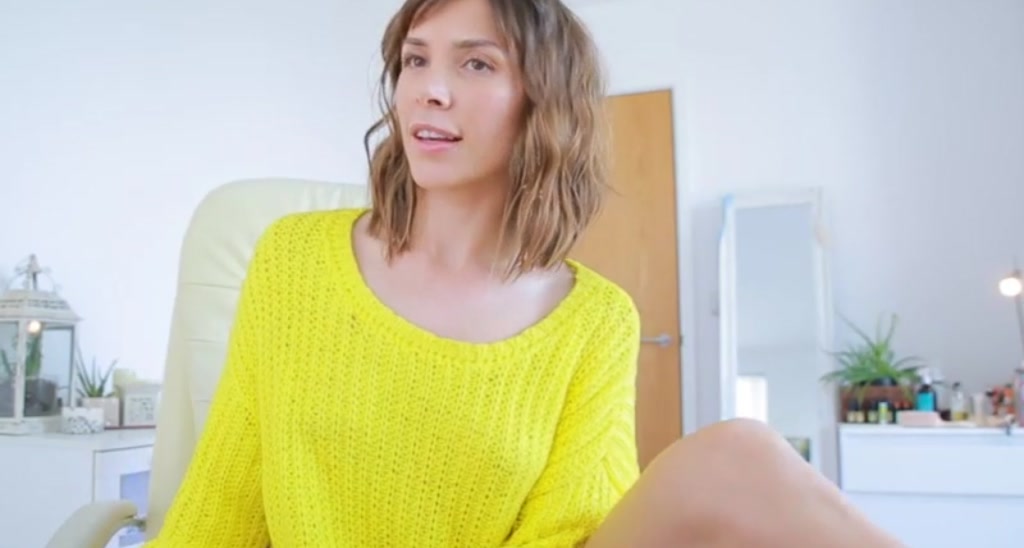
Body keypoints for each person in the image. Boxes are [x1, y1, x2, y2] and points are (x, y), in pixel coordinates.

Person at [147, 0, 905, 546]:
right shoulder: (293, 259)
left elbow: (569, 526)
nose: (429, 88)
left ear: (542, 103)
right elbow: (226, 497)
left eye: (475, 63)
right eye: (416, 59)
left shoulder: (595, 319)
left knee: (740, 456)